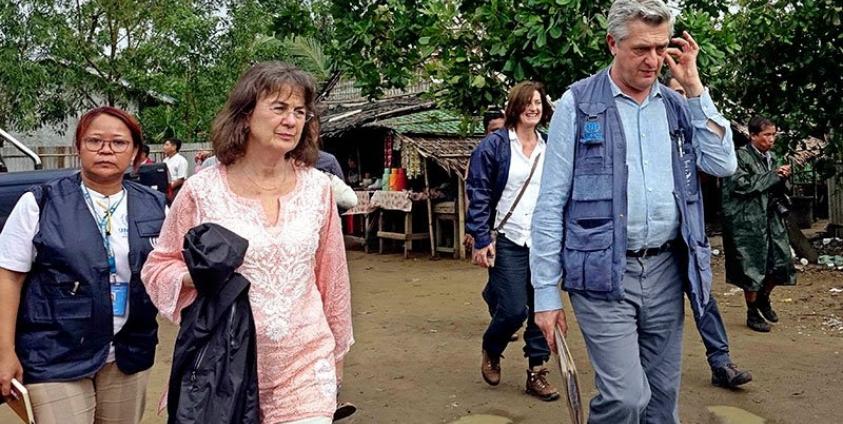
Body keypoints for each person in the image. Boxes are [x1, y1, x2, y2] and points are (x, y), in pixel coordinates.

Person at [530, 0, 737, 422]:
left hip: (666, 270)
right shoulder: (579, 103)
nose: (654, 60)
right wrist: (546, 296)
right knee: (626, 397)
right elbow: (551, 203)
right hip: (602, 271)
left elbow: (722, 163)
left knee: (662, 402)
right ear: (613, 43)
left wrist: (696, 90)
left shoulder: (678, 107)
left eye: (661, 49)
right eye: (641, 48)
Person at [141, 61, 353, 424]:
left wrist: (336, 359)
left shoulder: (318, 188)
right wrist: (200, 276)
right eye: (279, 108)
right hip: (224, 367)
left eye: (300, 111)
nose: (291, 120)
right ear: (245, 115)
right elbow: (158, 265)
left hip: (304, 366)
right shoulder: (202, 191)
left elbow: (331, 278)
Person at [0, 106, 166, 424]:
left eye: (118, 142)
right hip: (54, 353)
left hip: (128, 354)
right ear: (79, 148)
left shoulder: (157, 207)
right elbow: (8, 277)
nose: (106, 149)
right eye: (94, 141)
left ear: (136, 153)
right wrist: (4, 351)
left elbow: (170, 271)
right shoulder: (39, 203)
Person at [466, 81, 559, 401]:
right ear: (515, 107)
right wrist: (480, 237)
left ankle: (537, 372)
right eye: (527, 102)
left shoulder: (550, 146)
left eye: (538, 102)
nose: (533, 107)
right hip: (508, 237)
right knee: (513, 310)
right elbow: (478, 192)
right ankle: (492, 348)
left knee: (541, 307)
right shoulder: (495, 146)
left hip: (544, 240)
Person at [667, 75, 753, 387]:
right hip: (651, 246)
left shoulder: (696, 135)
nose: (679, 98)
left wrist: (696, 93)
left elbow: (722, 160)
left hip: (689, 237)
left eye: (683, 92)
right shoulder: (650, 133)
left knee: (704, 299)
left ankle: (721, 363)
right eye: (674, 92)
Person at [721, 116, 796, 333]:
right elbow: (740, 185)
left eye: (774, 135)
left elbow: (776, 185)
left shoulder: (772, 157)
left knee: (782, 262)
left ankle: (764, 298)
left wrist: (782, 177)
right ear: (753, 136)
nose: (771, 140)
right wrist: (772, 176)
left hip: (772, 217)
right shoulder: (740, 157)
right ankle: (752, 311)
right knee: (751, 266)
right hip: (748, 221)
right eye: (767, 135)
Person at [162, 137, 188, 201]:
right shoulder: (165, 160)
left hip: (176, 190)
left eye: (167, 145)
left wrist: (169, 188)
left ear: (174, 147)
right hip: (166, 189)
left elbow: (181, 179)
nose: (164, 147)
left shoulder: (181, 160)